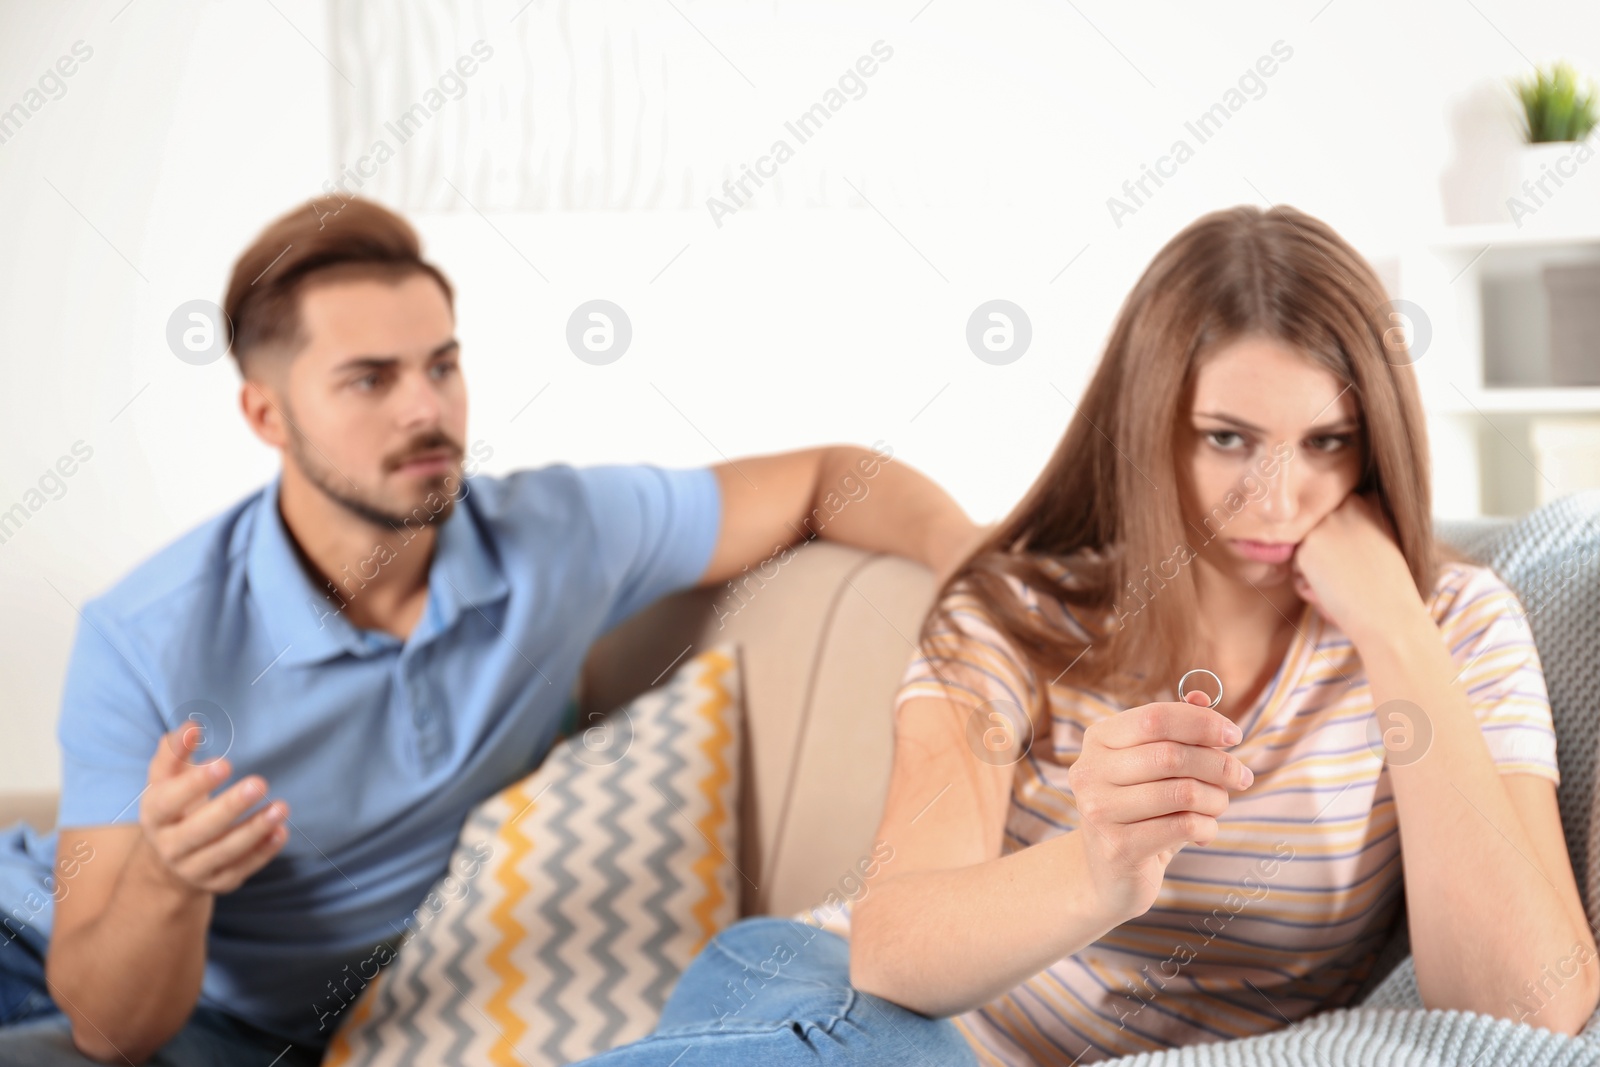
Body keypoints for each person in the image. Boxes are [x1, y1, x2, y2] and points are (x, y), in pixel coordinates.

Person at [566, 203, 1598, 1066]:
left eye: (1327, 442)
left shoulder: (1453, 626)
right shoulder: (1020, 612)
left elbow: (1527, 1007)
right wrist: (1098, 863)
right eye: (1227, 439)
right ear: (1151, 425)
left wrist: (1391, 630)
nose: (1277, 497)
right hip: (857, 1009)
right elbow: (889, 949)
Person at [0, 195, 982, 1066]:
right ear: (267, 413)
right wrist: (171, 876)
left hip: (354, 1022)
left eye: (443, 364)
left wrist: (975, 563)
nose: (427, 409)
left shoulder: (551, 535)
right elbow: (113, 1029)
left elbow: (824, 480)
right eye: (369, 379)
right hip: (83, 976)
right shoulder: (145, 635)